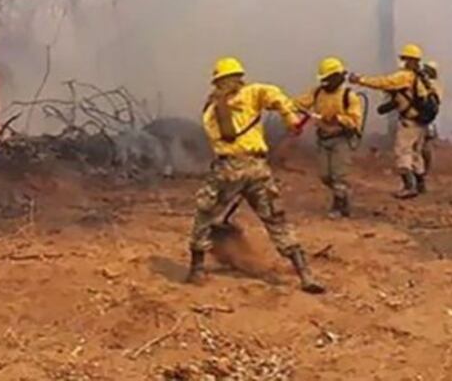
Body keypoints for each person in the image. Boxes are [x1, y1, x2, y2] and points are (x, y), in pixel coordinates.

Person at [186, 57, 326, 294]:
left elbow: (217, 140)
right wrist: (291, 119)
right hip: (257, 168)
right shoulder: (253, 93)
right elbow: (277, 97)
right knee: (275, 219)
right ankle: (305, 275)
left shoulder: (210, 110)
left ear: (216, 82)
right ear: (239, 77)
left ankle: (197, 270)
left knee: (205, 214)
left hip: (228, 169)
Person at [350, 44, 438, 198]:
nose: (402, 61)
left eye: (404, 58)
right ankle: (420, 183)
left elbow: (383, 82)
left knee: (402, 151)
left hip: (409, 122)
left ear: (410, 60)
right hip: (421, 122)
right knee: (415, 152)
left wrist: (359, 80)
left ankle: (409, 186)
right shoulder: (422, 78)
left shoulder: (405, 76)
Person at [295, 57, 364, 219]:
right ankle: (342, 196)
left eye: (328, 79)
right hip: (323, 138)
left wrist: (338, 119)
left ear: (337, 77)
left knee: (339, 175)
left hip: (341, 139)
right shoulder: (318, 92)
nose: (325, 83)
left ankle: (339, 205)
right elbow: (299, 102)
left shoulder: (349, 96)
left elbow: (354, 120)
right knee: (325, 175)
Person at [421, 61, 443, 176]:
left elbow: (435, 100)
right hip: (425, 116)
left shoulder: (434, 85)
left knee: (424, 145)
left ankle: (425, 169)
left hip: (429, 117)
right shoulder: (424, 83)